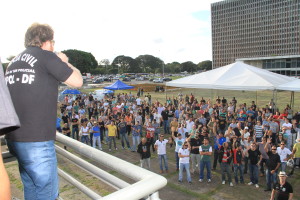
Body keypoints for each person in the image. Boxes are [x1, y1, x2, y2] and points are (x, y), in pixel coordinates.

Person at [5, 23, 82, 200]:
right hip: (37, 140)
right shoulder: (47, 57)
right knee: (47, 194)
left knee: (31, 188)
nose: (53, 46)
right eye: (53, 42)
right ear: (47, 42)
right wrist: (65, 62)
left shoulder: (13, 62)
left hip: (15, 137)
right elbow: (77, 81)